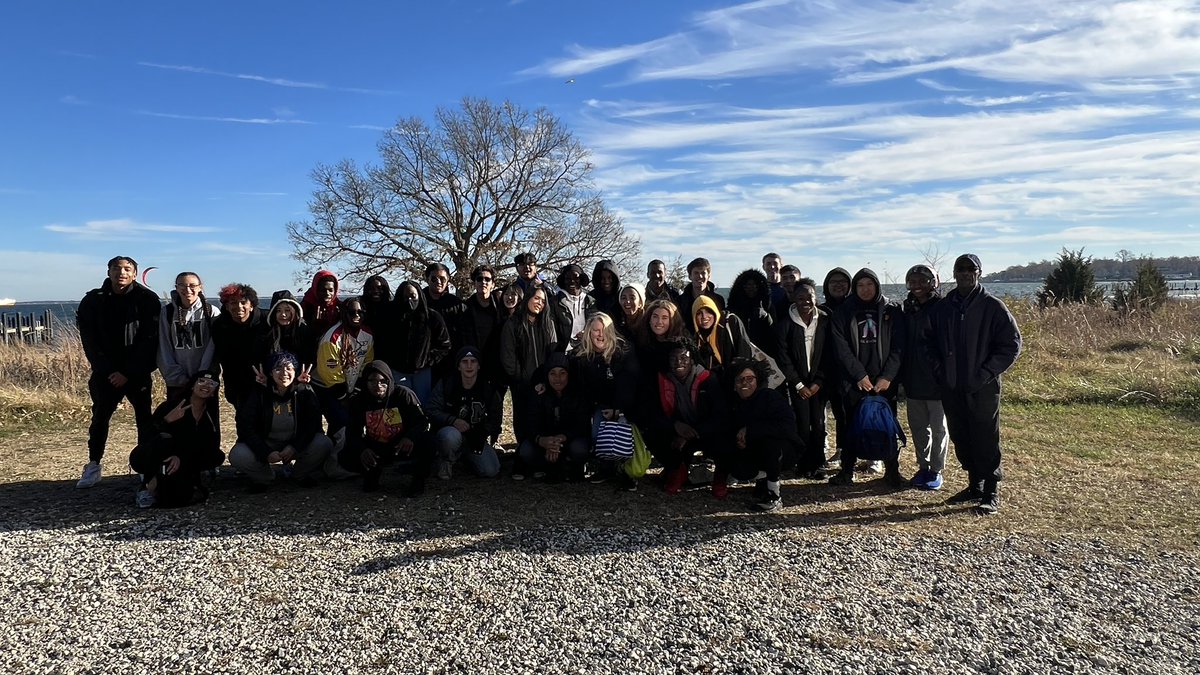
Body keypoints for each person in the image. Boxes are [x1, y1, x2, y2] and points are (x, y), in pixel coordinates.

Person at [927, 254, 1021, 514]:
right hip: (951, 385)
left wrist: (986, 372)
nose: (966, 273)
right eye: (961, 269)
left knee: (985, 437)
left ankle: (991, 490)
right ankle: (974, 485)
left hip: (983, 386)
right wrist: (939, 370)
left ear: (979, 273)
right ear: (954, 273)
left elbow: (1011, 345)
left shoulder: (993, 307)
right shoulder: (944, 308)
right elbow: (929, 343)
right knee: (961, 435)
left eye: (972, 269)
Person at [76, 255, 161, 489]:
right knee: (100, 418)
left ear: (135, 273)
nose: (121, 273)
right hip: (105, 374)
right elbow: (89, 340)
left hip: (137, 373)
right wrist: (109, 370)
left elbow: (150, 340)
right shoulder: (93, 300)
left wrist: (129, 372)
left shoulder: (147, 299)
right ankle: (93, 464)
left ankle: (146, 467)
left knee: (144, 419)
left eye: (127, 269)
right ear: (109, 272)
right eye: (116, 268)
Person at [828, 268, 906, 487]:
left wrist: (888, 376)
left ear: (877, 286)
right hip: (854, 381)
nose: (865, 289)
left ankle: (892, 470)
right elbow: (841, 348)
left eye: (869, 284)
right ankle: (847, 470)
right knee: (850, 424)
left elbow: (899, 347)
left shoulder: (892, 310)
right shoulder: (844, 312)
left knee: (887, 425)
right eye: (860, 285)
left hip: (884, 381)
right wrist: (859, 375)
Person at [229, 352, 332, 493]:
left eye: (289, 368)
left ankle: (299, 474)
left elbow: (312, 425)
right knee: (238, 454)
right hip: (267, 443)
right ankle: (264, 477)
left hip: (294, 443)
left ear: (295, 371)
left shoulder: (304, 391)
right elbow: (246, 427)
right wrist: (265, 452)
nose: (284, 373)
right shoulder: (258, 393)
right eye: (278, 369)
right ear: (270, 373)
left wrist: (294, 447)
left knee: (323, 443)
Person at [128, 370, 225, 508]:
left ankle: (187, 483)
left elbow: (207, 444)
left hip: (184, 459)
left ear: (214, 392)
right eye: (201, 381)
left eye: (212, 383)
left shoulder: (209, 414)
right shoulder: (171, 406)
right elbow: (147, 435)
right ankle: (148, 486)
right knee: (163, 440)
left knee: (216, 456)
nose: (206, 385)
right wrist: (167, 420)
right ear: (192, 385)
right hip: (154, 454)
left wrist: (180, 457)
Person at [647, 340, 729, 495]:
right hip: (680, 428)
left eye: (684, 358)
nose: (679, 362)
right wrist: (675, 425)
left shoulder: (708, 380)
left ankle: (720, 475)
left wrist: (695, 432)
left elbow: (720, 415)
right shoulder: (663, 380)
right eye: (674, 359)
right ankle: (677, 469)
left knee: (723, 439)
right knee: (654, 433)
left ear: (692, 360)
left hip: (705, 430)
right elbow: (654, 413)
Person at [338, 360, 433, 496]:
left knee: (428, 442)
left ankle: (418, 479)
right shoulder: (358, 401)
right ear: (365, 382)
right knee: (346, 455)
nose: (378, 386)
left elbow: (422, 422)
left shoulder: (403, 394)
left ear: (389, 380)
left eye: (383, 381)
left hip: (402, 444)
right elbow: (352, 431)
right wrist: (362, 450)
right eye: (372, 381)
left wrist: (409, 438)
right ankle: (372, 472)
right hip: (377, 446)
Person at [572, 312, 640, 488]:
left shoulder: (624, 351)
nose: (600, 335)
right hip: (599, 406)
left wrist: (618, 409)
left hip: (625, 405)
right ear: (588, 332)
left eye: (604, 330)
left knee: (623, 433)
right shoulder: (582, 355)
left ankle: (627, 471)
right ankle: (606, 467)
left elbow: (629, 384)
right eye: (595, 330)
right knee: (598, 434)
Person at [726, 358, 801, 512]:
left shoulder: (769, 397)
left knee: (771, 445)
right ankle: (763, 479)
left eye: (749, 379)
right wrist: (738, 439)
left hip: (784, 449)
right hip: (753, 449)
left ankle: (774, 495)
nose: (745, 383)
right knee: (733, 460)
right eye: (740, 380)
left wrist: (750, 430)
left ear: (758, 380)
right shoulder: (734, 404)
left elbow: (787, 427)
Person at [774, 281, 831, 479]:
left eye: (809, 297)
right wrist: (798, 384)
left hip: (818, 384)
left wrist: (818, 382)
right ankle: (802, 463)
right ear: (793, 299)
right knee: (802, 425)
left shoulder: (824, 320)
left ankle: (818, 463)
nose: (805, 301)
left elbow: (828, 355)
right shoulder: (785, 325)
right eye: (800, 298)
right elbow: (783, 357)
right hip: (798, 386)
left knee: (819, 424)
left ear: (816, 297)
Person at [900, 264, 949, 491]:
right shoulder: (907, 309)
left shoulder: (942, 308)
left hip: (938, 382)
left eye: (924, 281)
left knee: (939, 428)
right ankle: (923, 466)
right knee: (918, 427)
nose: (918, 286)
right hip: (913, 380)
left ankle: (936, 470)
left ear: (934, 282)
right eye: (913, 281)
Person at [426, 346, 503, 480]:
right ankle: (446, 461)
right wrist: (452, 420)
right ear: (458, 366)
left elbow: (496, 417)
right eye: (464, 361)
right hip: (451, 432)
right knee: (449, 436)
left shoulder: (487, 387)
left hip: (475, 438)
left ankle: (466, 458)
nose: (469, 365)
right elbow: (431, 409)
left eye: (473, 361)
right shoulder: (447, 383)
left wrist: (484, 431)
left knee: (491, 470)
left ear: (479, 366)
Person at [500, 285, 561, 445]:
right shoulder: (513, 324)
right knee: (522, 420)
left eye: (543, 300)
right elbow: (508, 357)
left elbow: (553, 355)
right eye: (536, 298)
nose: (539, 303)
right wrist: (522, 379)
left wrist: (546, 381)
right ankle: (523, 453)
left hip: (545, 384)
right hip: (522, 384)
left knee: (544, 419)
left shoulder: (548, 324)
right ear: (527, 298)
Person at [516, 353, 591, 481]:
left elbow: (582, 423)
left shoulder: (577, 393)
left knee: (580, 449)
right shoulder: (539, 393)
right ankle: (544, 465)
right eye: (553, 374)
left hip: (569, 440)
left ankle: (570, 464)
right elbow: (530, 422)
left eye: (562, 373)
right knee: (526, 451)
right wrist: (541, 439)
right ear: (547, 375)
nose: (558, 378)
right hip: (545, 441)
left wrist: (562, 437)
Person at [380, 281, 451, 404]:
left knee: (423, 405)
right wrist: (391, 362)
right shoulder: (390, 317)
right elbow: (382, 343)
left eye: (413, 296)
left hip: (422, 372)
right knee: (402, 404)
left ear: (419, 295)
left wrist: (426, 360)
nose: (409, 300)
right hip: (398, 371)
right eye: (405, 296)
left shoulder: (432, 317)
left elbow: (444, 344)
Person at [312, 297, 375, 437]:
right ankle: (333, 456)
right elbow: (329, 372)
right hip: (328, 388)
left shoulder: (367, 334)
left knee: (355, 424)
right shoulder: (333, 338)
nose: (357, 316)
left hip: (352, 388)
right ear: (344, 313)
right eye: (352, 312)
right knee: (340, 425)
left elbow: (367, 363)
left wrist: (357, 388)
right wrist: (344, 397)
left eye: (360, 312)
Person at [157, 271, 217, 401]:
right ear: (176, 287)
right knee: (178, 417)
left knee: (205, 419)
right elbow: (164, 346)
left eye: (192, 285)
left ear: (200, 287)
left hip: (205, 380)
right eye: (182, 285)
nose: (187, 289)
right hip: (177, 381)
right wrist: (176, 376)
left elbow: (212, 347)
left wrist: (202, 376)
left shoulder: (211, 311)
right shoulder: (167, 312)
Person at [211, 282, 267, 411]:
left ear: (251, 305)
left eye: (243, 302)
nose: (239, 307)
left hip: (266, 380)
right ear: (226, 306)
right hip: (237, 382)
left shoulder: (267, 320)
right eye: (233, 303)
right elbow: (220, 355)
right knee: (244, 423)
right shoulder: (219, 325)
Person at [819, 267, 853, 469]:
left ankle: (844, 450)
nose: (838, 285)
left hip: (848, 370)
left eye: (843, 282)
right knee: (821, 414)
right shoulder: (820, 311)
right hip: (823, 369)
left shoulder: (854, 308)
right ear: (826, 287)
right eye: (833, 282)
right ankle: (821, 449)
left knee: (844, 413)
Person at [456, 265, 504, 389]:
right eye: (479, 279)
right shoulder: (465, 309)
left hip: (498, 363)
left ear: (493, 284)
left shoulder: (501, 306)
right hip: (474, 363)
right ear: (474, 283)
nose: (483, 282)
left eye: (487, 279)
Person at [690, 295, 752, 376]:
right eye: (699, 313)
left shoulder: (730, 322)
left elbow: (744, 353)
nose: (704, 317)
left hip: (737, 380)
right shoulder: (696, 338)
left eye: (708, 311)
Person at [256, 290, 316, 372]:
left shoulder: (304, 331)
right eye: (278, 311)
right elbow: (261, 359)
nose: (283, 314)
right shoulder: (267, 333)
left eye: (287, 310)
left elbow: (310, 359)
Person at [726, 268, 776, 358]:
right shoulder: (733, 308)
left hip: (763, 353)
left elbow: (774, 332)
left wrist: (765, 316)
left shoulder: (767, 307)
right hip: (739, 353)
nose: (751, 288)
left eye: (754, 285)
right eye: (747, 285)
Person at [552, 264, 594, 352]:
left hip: (586, 351)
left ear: (581, 279)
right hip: (562, 353)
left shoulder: (591, 302)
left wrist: (586, 333)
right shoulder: (555, 302)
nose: (572, 281)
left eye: (576, 277)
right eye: (568, 278)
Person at [300, 270, 341, 338]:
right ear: (316, 289)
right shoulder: (305, 307)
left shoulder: (340, 307)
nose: (327, 294)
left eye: (330, 290)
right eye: (323, 290)